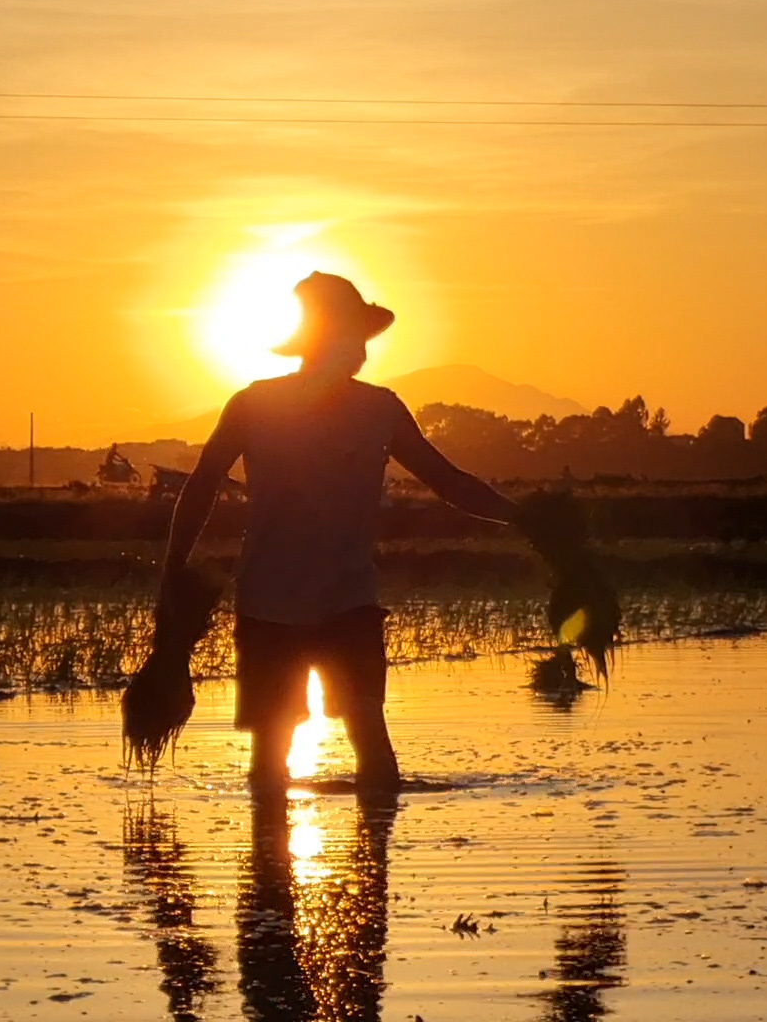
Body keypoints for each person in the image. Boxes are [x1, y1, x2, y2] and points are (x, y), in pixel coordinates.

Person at [159, 271, 519, 794]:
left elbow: (449, 483)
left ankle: (371, 861)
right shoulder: (254, 405)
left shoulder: (380, 409)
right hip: (268, 607)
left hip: (348, 602)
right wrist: (172, 574)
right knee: (270, 758)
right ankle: (270, 868)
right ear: (329, 339)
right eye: (354, 338)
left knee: (371, 744)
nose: (363, 352)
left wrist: (529, 520)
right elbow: (200, 489)